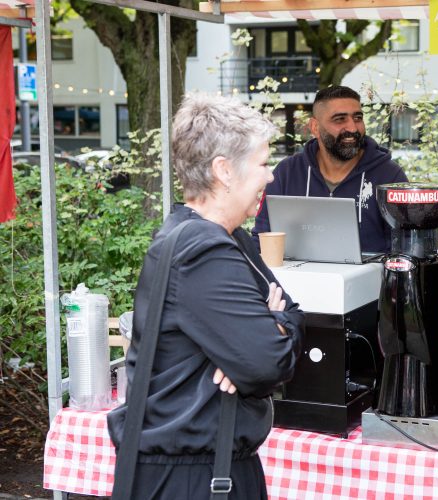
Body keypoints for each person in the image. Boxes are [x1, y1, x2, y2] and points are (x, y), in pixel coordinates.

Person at [107, 93, 304, 499]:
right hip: (193, 478)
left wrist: (273, 327)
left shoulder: (231, 240)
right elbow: (269, 362)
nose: (270, 176)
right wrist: (262, 341)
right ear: (224, 170)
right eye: (263, 163)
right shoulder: (202, 251)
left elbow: (295, 314)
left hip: (210, 467)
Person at [251, 85, 408, 253]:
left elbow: (405, 249)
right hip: (298, 278)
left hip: (370, 279)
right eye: (340, 119)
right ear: (315, 127)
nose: (353, 128)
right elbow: (261, 239)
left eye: (357, 118)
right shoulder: (287, 173)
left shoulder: (390, 177)